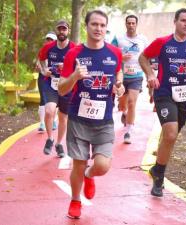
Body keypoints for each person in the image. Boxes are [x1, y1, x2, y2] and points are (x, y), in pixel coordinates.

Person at [139, 8, 186, 197]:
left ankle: (157, 169)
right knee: (170, 135)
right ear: (175, 21)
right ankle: (160, 177)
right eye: (183, 20)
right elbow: (143, 58)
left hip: (184, 97)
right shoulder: (162, 43)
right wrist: (150, 74)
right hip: (164, 93)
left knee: (170, 137)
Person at [58, 10, 124, 219]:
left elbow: (118, 73)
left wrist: (119, 87)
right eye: (94, 24)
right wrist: (75, 76)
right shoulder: (73, 54)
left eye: (102, 25)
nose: (98, 29)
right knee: (78, 162)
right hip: (78, 118)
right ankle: (76, 200)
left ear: (106, 28)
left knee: (102, 166)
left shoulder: (115, 53)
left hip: (104, 120)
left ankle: (89, 175)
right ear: (86, 27)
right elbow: (61, 89)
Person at [38, 20, 76, 158]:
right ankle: (50, 139)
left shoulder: (73, 48)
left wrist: (66, 69)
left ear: (68, 31)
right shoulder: (49, 47)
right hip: (51, 84)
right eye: (59, 29)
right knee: (49, 111)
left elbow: (78, 67)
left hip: (66, 85)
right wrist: (44, 70)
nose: (62, 32)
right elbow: (41, 59)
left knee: (63, 117)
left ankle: (59, 144)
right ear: (56, 31)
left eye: (64, 29)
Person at [111, 15, 148, 144]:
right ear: (125, 24)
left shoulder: (143, 39)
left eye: (133, 23)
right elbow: (111, 54)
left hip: (136, 76)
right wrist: (121, 56)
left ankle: (129, 131)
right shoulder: (119, 38)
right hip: (121, 76)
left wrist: (151, 69)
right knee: (122, 105)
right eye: (129, 23)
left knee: (132, 102)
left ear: (136, 24)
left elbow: (148, 55)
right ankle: (124, 112)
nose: (131, 25)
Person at [36, 31, 58, 132]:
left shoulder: (58, 51)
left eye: (51, 40)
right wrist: (43, 70)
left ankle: (53, 120)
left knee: (56, 100)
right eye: (48, 39)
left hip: (55, 78)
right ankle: (42, 123)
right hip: (43, 77)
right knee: (43, 99)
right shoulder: (42, 50)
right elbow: (38, 64)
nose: (49, 41)